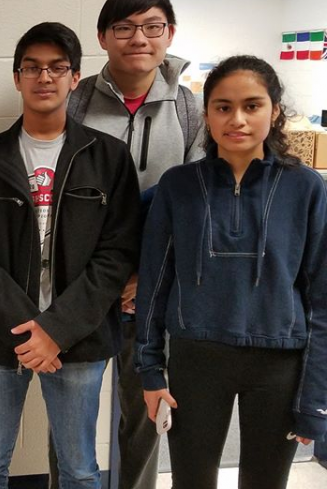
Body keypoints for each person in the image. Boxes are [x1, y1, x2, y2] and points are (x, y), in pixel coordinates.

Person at [0, 22, 141, 489]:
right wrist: (27, 328)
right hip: (2, 335)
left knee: (79, 467)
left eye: (58, 68)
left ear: (75, 78)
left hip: (78, 336)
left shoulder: (109, 158)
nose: (45, 77)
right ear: (16, 78)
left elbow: (116, 253)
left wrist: (55, 329)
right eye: (33, 68)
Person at [135, 55, 327, 489]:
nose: (236, 119)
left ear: (275, 111)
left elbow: (322, 300)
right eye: (223, 107)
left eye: (252, 105)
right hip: (196, 362)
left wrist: (315, 396)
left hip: (279, 367)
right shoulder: (178, 187)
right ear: (206, 114)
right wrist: (149, 370)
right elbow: (154, 284)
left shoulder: (307, 189)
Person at [60, 0, 204, 489]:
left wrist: (148, 277)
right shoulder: (75, 101)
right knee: (71, 419)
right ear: (103, 37)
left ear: (169, 34)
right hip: (81, 290)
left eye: (152, 27)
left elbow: (196, 206)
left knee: (143, 415)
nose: (138, 38)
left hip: (152, 292)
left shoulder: (189, 110)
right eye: (123, 28)